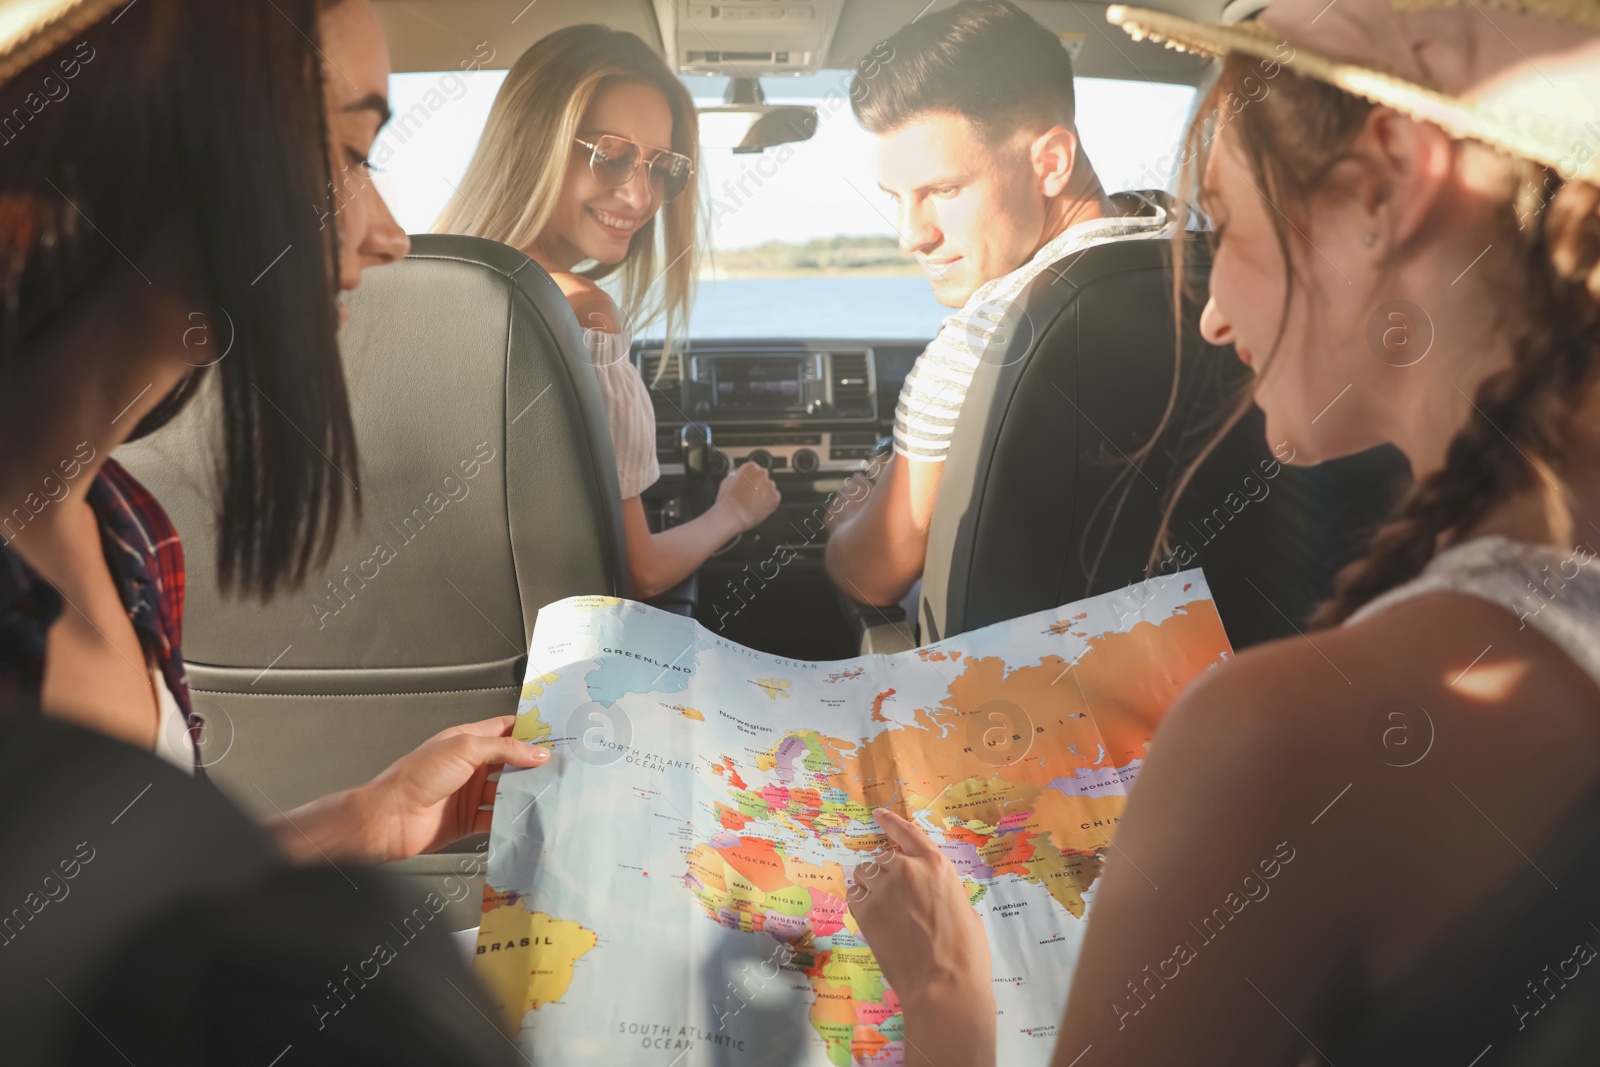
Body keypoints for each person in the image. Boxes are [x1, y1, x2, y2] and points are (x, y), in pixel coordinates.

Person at [851, 0, 1600, 1064]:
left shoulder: (1274, 740)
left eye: (1226, 221)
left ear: (1382, 190)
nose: (1207, 310)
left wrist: (942, 996)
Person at [0, 0, 548, 872]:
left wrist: (370, 817)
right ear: (150, 139)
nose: (389, 236)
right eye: (348, 155)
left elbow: (128, 901)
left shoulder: (127, 528)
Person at [823, 0, 1175, 609]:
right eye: (897, 198)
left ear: (1051, 162)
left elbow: (870, 576)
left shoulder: (983, 338)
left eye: (943, 190)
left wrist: (846, 521)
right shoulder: (1214, 260)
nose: (913, 235)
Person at [436, 26, 781, 600]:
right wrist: (733, 513)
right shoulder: (584, 313)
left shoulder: (402, 286)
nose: (641, 197)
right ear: (533, 144)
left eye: (662, 167)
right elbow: (636, 574)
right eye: (613, 156)